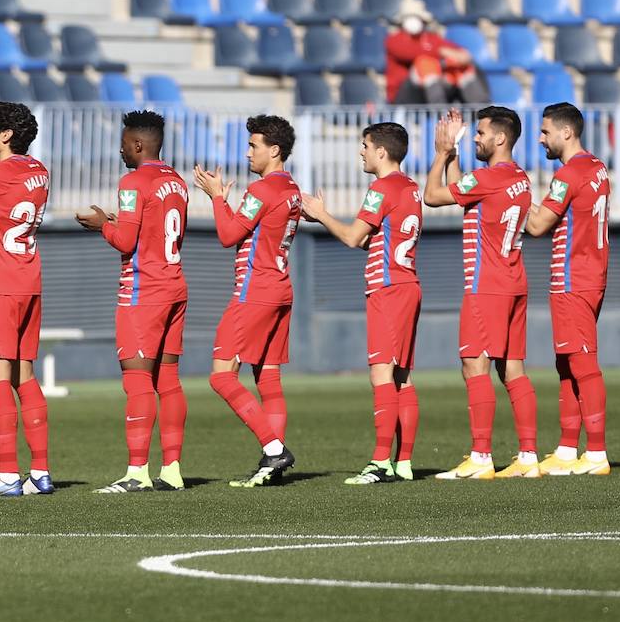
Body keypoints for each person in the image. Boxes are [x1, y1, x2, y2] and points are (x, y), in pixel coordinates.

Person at [300, 122, 423, 485]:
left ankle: (380, 462)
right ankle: (403, 463)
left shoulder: (381, 187)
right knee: (402, 376)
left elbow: (355, 238)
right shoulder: (411, 188)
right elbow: (382, 239)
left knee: (381, 373)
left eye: (365, 145)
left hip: (388, 288)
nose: (361, 152)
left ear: (381, 152)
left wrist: (320, 215)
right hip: (407, 283)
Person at [76, 110, 189, 494]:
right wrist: (117, 222)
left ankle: (137, 473)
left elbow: (126, 242)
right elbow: (153, 230)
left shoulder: (133, 180)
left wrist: (101, 225)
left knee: (138, 381)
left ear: (138, 144)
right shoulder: (176, 181)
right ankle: (172, 471)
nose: (121, 149)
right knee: (169, 381)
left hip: (144, 290)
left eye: (124, 143)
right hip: (174, 284)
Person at [423, 106, 538, 480]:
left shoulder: (489, 178)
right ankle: (527, 457)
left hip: (486, 285)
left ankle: (481, 457)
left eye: (481, 133)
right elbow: (466, 193)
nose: (476, 138)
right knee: (513, 369)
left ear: (500, 138)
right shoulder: (518, 177)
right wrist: (456, 155)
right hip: (513, 280)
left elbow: (433, 196)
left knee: (474, 364)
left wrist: (441, 151)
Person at [193, 114, 301, 488]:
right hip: (281, 288)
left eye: (254, 146)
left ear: (275, 150)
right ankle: (273, 465)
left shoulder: (263, 190)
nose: (248, 153)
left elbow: (228, 234)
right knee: (268, 377)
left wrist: (218, 197)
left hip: (255, 291)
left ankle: (274, 449)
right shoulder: (292, 189)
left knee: (221, 376)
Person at [524, 103, 612, 476]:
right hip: (592, 274)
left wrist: (511, 197)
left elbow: (537, 225)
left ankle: (595, 453)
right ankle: (565, 449)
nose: (540, 138)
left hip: (573, 277)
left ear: (566, 133)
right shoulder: (597, 168)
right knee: (567, 364)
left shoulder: (568, 174)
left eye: (545, 132)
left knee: (582, 364)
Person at [0, 101, 52, 498]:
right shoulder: (40, 170)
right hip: (30, 279)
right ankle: (40, 472)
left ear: (6, 134)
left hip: (1, 283)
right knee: (26, 374)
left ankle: (7, 477)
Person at [385, 7, 490, 105]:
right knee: (425, 63)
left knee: (459, 67)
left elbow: (456, 51)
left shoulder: (431, 38)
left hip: (435, 88)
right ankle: (440, 111)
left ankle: (481, 110)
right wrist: (441, 52)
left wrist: (462, 56)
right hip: (404, 93)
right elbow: (409, 54)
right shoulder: (394, 40)